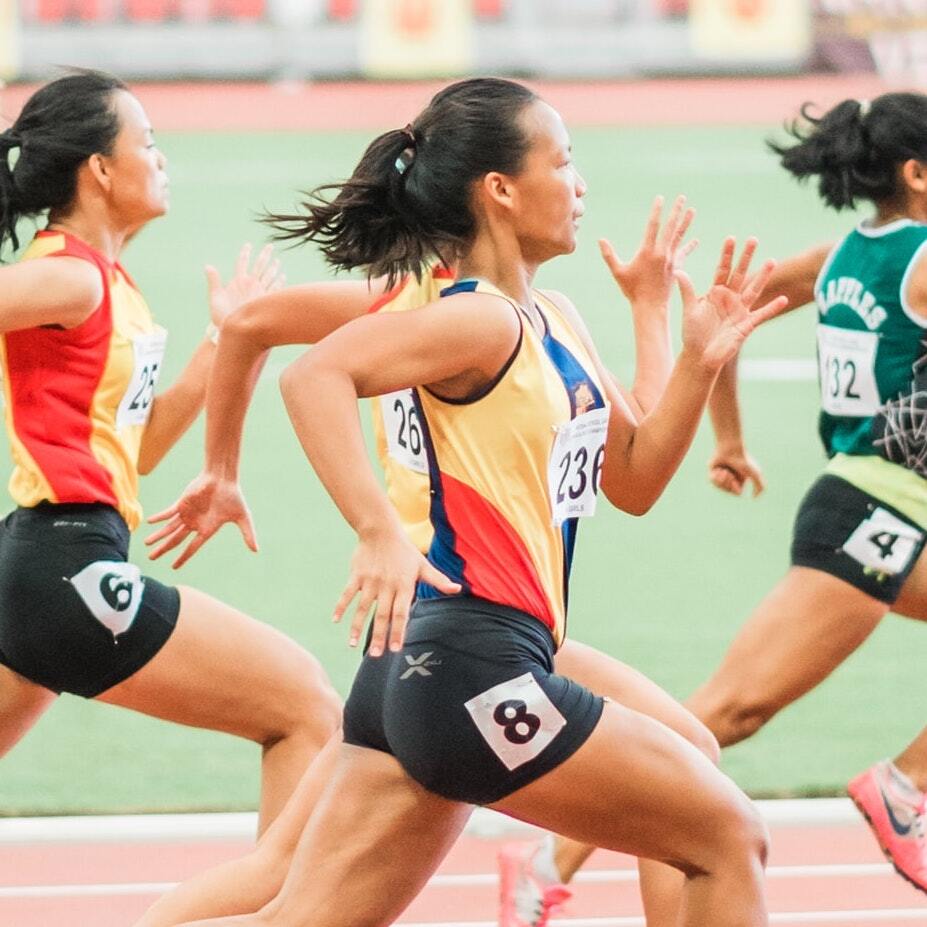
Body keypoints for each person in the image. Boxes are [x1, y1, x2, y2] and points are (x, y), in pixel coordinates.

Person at [160, 77, 786, 927]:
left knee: (692, 757)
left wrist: (686, 351)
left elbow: (633, 476)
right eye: (563, 162)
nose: (580, 184)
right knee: (725, 835)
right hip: (468, 658)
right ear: (499, 189)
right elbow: (314, 375)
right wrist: (375, 527)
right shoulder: (476, 322)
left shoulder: (551, 317)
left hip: (447, 656)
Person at [486, 90, 927, 912]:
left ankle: (906, 781)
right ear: (916, 173)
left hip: (867, 505)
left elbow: (729, 320)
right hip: (879, 510)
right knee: (725, 709)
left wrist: (728, 439)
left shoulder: (837, 256)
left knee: (722, 715)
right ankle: (547, 854)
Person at [0, 69, 341, 833]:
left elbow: (142, 446)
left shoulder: (108, 284)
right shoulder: (67, 279)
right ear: (100, 169)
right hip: (66, 567)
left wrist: (223, 337)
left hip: (40, 565)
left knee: (303, 706)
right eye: (147, 142)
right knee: (305, 707)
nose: (162, 159)